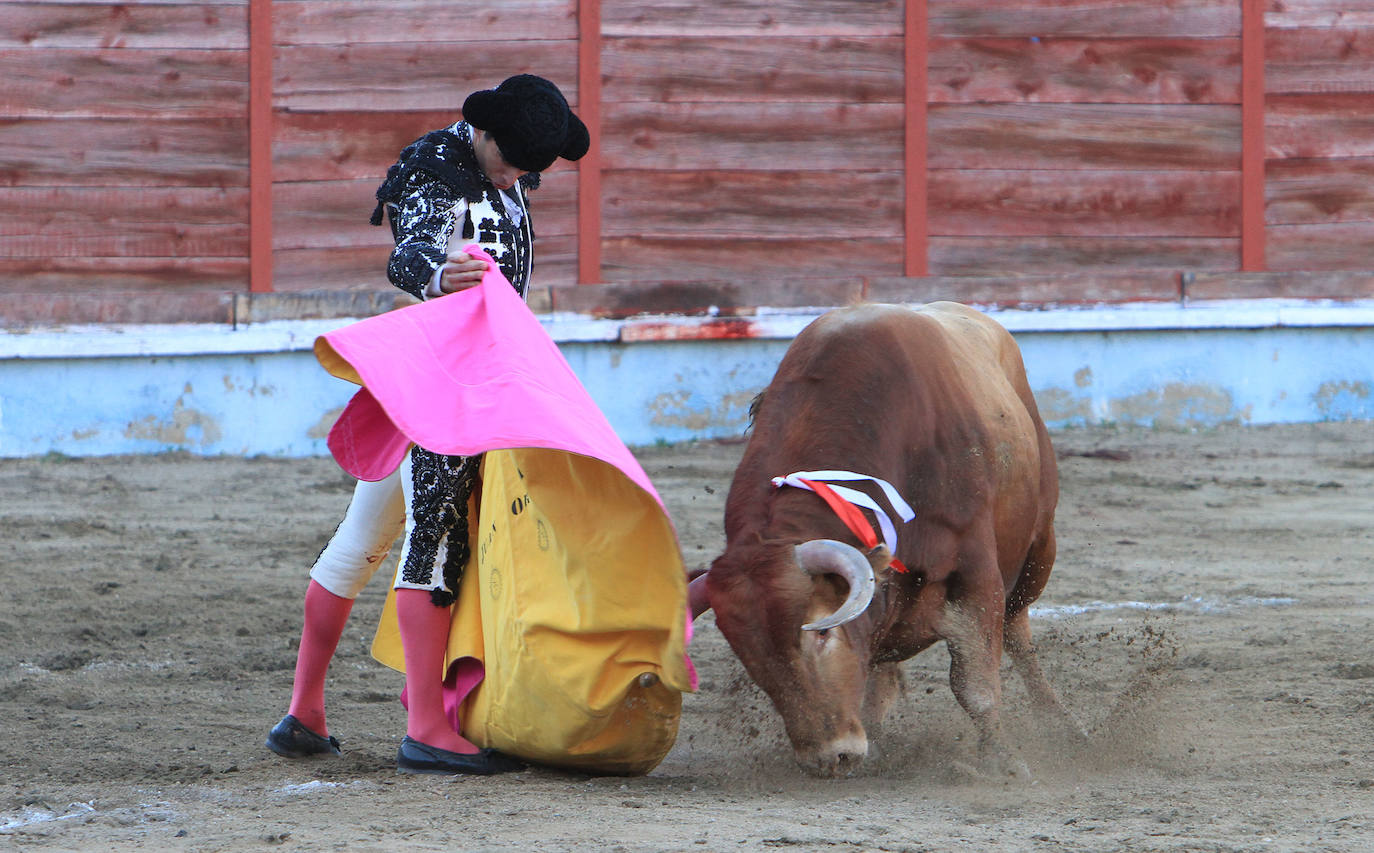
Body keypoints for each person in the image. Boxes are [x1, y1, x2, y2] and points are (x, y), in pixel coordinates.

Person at [266, 74, 590, 775]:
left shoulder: (503, 168)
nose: (520, 176)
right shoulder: (435, 165)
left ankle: (304, 711)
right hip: (444, 382)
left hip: (468, 378)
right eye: (512, 161)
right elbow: (409, 251)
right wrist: (439, 275)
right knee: (436, 541)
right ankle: (426, 728)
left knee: (361, 541)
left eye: (531, 167)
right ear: (484, 131)